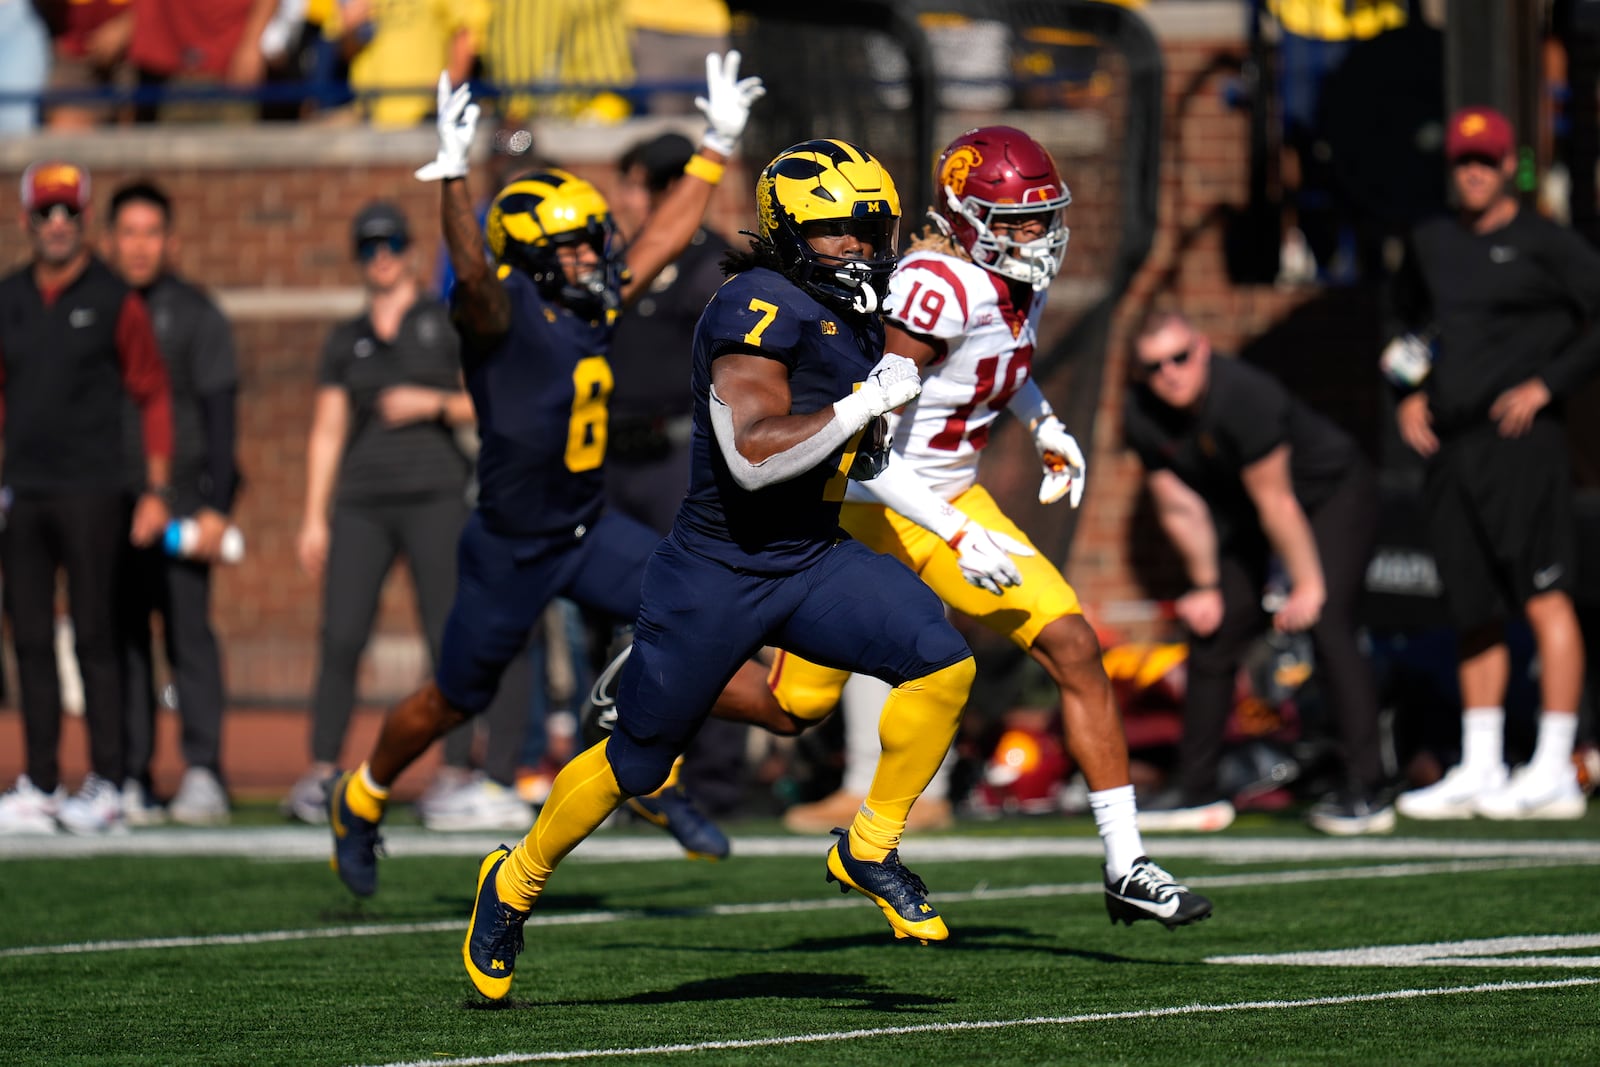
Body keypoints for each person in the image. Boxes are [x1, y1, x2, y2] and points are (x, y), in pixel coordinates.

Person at [461, 135, 981, 1002]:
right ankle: (512, 881)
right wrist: (863, 401)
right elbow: (751, 456)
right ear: (789, 232)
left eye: (872, 228)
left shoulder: (850, 309)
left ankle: (871, 844)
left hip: (810, 555)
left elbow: (861, 456)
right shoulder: (758, 305)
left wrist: (955, 523)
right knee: (634, 761)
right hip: (717, 568)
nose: (861, 246)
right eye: (842, 230)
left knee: (943, 662)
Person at [326, 51, 769, 900]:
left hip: (586, 525)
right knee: (451, 698)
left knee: (700, 617)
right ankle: (363, 794)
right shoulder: (497, 314)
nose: (594, 257)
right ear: (527, 261)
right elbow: (473, 280)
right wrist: (453, 178)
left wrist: (715, 144)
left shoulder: (588, 297)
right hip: (513, 546)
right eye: (572, 249)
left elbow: (663, 234)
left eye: (591, 242)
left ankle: (647, 771)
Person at [765, 128, 1215, 913]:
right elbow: (868, 444)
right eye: (1017, 221)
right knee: (792, 707)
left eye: (1044, 217)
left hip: (949, 497)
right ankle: (660, 668)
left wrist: (1044, 427)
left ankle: (1126, 864)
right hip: (871, 503)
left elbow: (999, 369)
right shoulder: (935, 288)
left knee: (1073, 643)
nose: (1036, 236)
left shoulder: (1009, 280)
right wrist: (956, 532)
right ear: (966, 217)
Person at [1388, 105, 1600, 821]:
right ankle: (1480, 765)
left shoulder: (1549, 243)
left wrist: (1548, 385)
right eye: (1462, 161)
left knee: (1544, 594)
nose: (1473, 172)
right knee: (1470, 605)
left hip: (1525, 443)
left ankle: (1555, 765)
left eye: (1485, 160)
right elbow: (1404, 320)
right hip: (1452, 445)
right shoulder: (1431, 240)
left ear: (1511, 165)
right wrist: (1407, 390)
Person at [1124, 309, 1392, 835]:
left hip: (1328, 495)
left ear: (1200, 349)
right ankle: (1196, 791)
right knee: (1213, 630)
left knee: (1329, 619)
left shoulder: (1243, 396)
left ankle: (1369, 787)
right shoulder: (1142, 414)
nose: (1170, 374)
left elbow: (1279, 503)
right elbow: (1179, 507)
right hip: (1246, 511)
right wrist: (1204, 586)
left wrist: (1307, 585)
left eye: (1179, 358)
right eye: (1154, 366)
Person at [285, 200, 480, 824]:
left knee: (446, 634)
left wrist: (431, 403)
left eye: (391, 244)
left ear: (412, 252)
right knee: (340, 634)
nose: (382, 258)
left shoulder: (444, 322)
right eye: (369, 248)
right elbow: (325, 430)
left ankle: (453, 772)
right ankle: (321, 771)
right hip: (362, 503)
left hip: (435, 495)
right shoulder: (346, 339)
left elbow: (483, 401)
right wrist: (313, 516)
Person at [0, 161, 174, 835]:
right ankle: (42, 782)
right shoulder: (9, 297)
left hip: (96, 491)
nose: (57, 225)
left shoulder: (112, 297)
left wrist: (156, 488)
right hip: (27, 491)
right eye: (45, 213)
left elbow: (152, 390)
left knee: (97, 635)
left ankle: (107, 781)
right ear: (26, 221)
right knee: (32, 637)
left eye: (69, 212)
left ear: (84, 220)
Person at [604, 130, 746, 813]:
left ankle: (713, 777)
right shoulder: (618, 259)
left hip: (676, 457)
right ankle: (627, 773)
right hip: (612, 461)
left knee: (695, 609)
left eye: (633, 185)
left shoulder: (712, 261)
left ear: (666, 191)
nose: (621, 200)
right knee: (612, 620)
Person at [106, 179, 241, 827]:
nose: (138, 245)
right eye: (127, 232)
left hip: (183, 504)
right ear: (110, 241)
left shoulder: (195, 313)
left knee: (189, 635)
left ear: (172, 241)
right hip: (110, 506)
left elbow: (220, 417)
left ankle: (203, 769)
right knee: (122, 637)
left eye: (150, 232)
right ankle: (131, 772)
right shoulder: (95, 310)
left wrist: (216, 505)